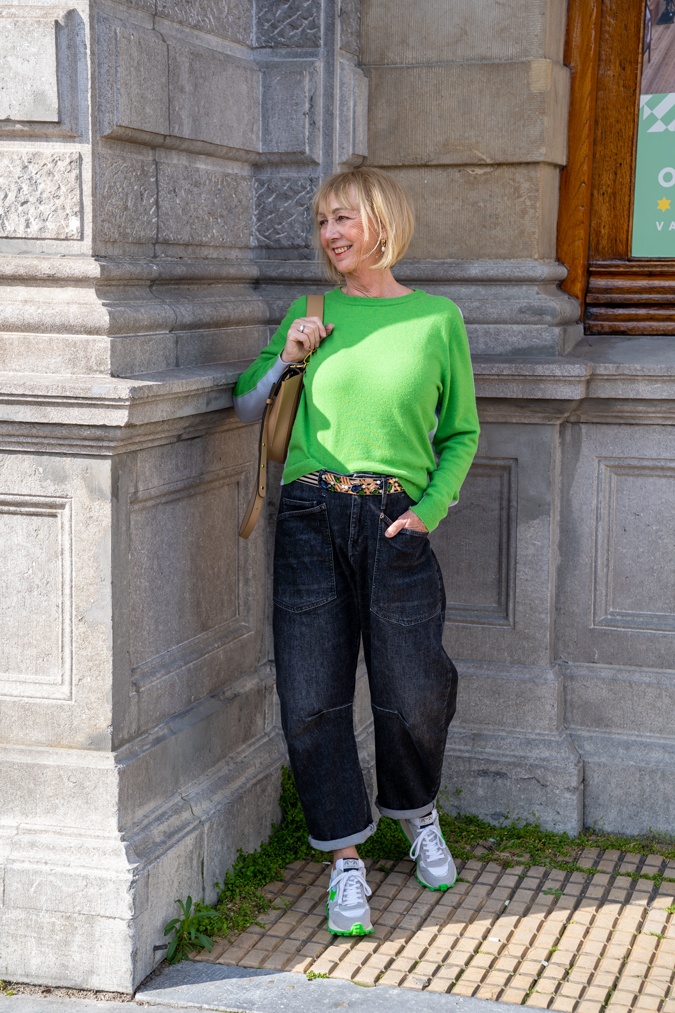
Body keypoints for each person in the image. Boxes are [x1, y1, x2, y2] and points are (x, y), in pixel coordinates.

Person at [234, 167, 479, 937]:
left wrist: (428, 510)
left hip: (394, 520)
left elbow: (460, 432)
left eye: (342, 218)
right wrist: (290, 356)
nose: (329, 235)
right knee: (311, 697)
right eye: (320, 223)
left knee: (414, 690)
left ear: (381, 221)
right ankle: (344, 858)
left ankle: (414, 809)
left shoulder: (437, 319)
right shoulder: (311, 312)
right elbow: (244, 401)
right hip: (310, 513)